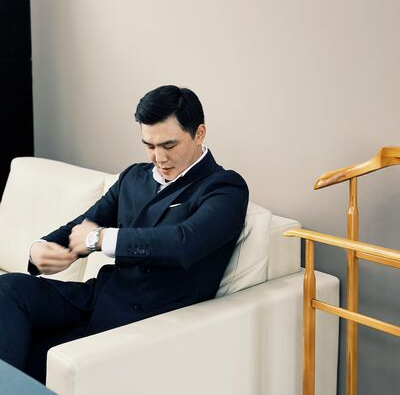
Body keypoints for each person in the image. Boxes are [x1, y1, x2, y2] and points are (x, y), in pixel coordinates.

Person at [0, 85, 249, 383]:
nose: (159, 157)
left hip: (145, 320)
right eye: (149, 146)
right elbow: (85, 223)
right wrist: (41, 248)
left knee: (34, 357)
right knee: (9, 289)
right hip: (98, 298)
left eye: (169, 145)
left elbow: (184, 242)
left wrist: (101, 239)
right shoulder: (134, 177)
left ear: (199, 133)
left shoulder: (225, 187)